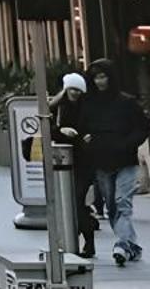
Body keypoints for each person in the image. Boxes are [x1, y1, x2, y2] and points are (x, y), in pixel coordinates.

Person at [78, 60, 149, 266]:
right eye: (96, 77)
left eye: (103, 76)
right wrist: (85, 139)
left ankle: (122, 245)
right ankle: (131, 246)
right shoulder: (89, 103)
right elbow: (81, 127)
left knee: (122, 203)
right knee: (112, 206)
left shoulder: (126, 102)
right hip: (101, 161)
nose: (100, 81)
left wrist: (127, 144)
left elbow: (143, 127)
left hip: (125, 160)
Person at [50, 72, 97, 260]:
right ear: (66, 89)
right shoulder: (57, 107)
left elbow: (94, 127)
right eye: (72, 89)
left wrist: (88, 136)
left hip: (83, 162)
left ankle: (86, 238)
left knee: (76, 201)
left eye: (78, 90)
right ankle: (81, 233)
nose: (75, 93)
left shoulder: (88, 107)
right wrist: (62, 131)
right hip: (63, 161)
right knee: (70, 202)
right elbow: (49, 131)